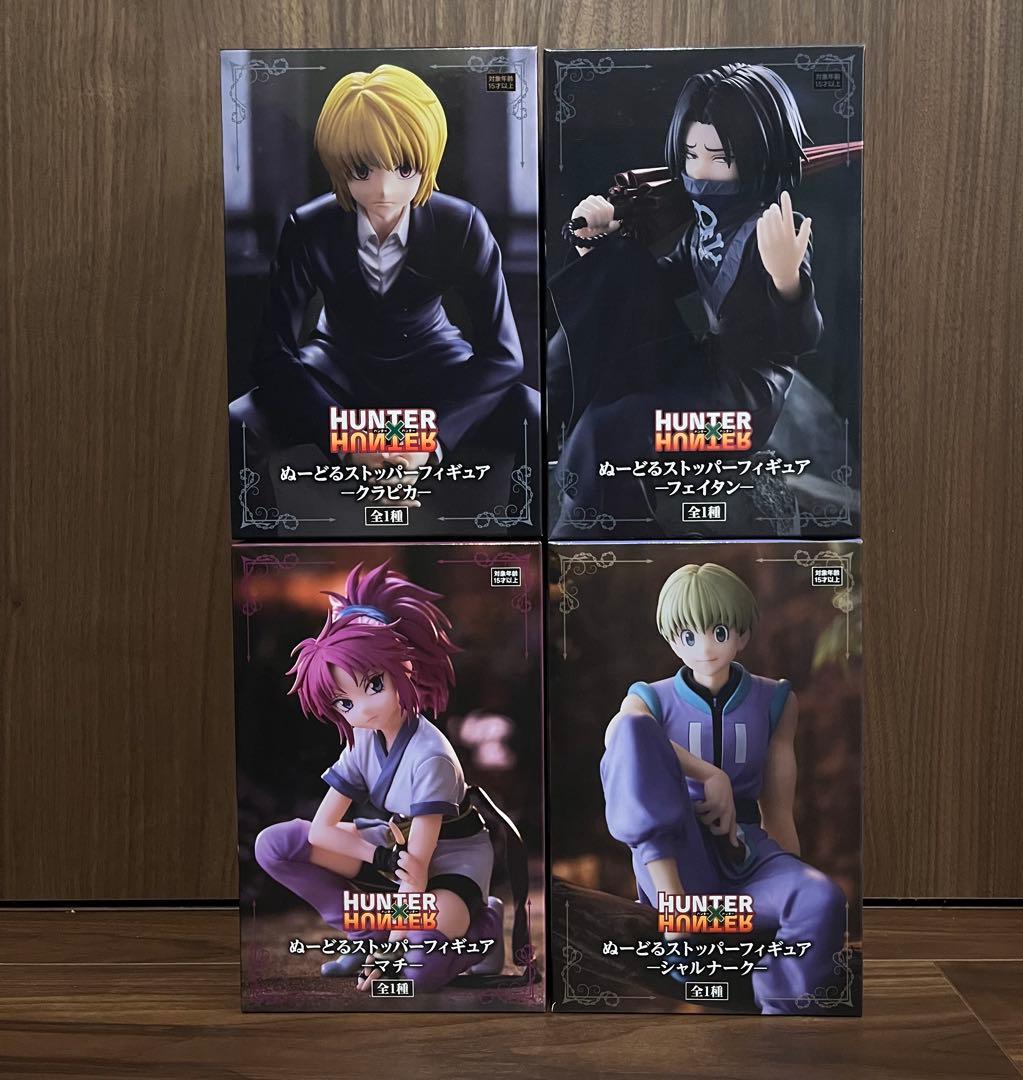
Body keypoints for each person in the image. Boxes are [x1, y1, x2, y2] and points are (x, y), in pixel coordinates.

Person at [230, 65, 538, 510]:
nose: (385, 189)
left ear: (427, 161)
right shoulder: (309, 226)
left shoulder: (461, 223)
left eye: (405, 168)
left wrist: (429, 441)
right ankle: (266, 547)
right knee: (239, 420)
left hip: (436, 362)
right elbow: (273, 354)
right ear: (339, 164)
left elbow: (504, 355)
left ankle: (516, 546)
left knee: (533, 412)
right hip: (336, 366)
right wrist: (348, 441)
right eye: (362, 170)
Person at [548, 64, 823, 536]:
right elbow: (657, 281)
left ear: (758, 156)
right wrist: (598, 244)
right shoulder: (703, 225)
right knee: (618, 269)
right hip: (701, 370)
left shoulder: (778, 228)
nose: (699, 173)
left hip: (737, 411)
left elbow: (801, 337)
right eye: (691, 155)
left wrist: (786, 280)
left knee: (609, 428)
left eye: (720, 158)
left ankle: (598, 532)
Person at [253, 560, 523, 991]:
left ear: (405, 668)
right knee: (276, 844)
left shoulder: (431, 757)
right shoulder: (363, 739)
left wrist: (392, 954)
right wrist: (377, 856)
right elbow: (321, 831)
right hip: (396, 848)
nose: (361, 710)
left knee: (415, 974)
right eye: (344, 703)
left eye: (374, 685)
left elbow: (416, 872)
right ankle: (366, 934)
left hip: (450, 864)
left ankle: (482, 927)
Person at [600, 562, 847, 1013]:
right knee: (632, 731)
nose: (705, 648)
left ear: (743, 634)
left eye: (718, 631)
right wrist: (710, 774)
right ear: (671, 640)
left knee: (821, 900)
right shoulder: (648, 699)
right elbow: (621, 735)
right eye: (687, 635)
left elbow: (778, 806)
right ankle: (679, 916)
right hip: (677, 866)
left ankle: (782, 1012)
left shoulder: (775, 700)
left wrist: (786, 881)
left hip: (747, 860)